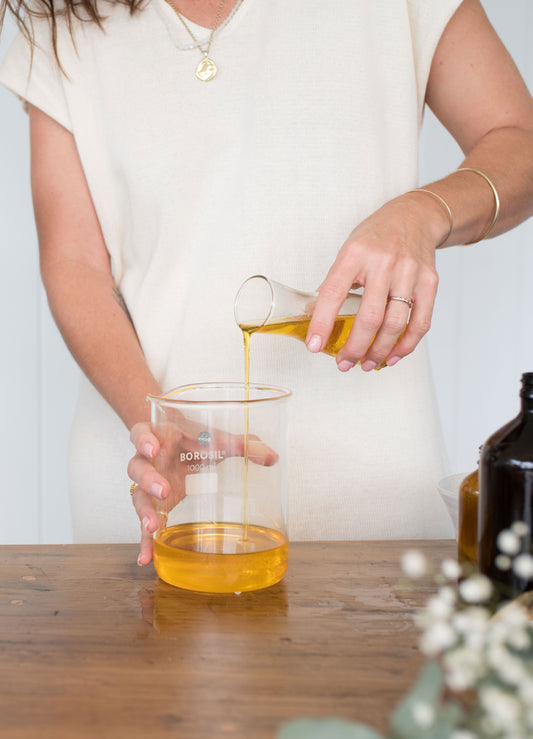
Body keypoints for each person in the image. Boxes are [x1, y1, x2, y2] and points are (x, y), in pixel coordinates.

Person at [1, 0, 533, 565]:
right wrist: (153, 421)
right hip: (157, 500)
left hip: (371, 506)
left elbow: (519, 140)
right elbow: (75, 261)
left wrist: (425, 211)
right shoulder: (57, 15)